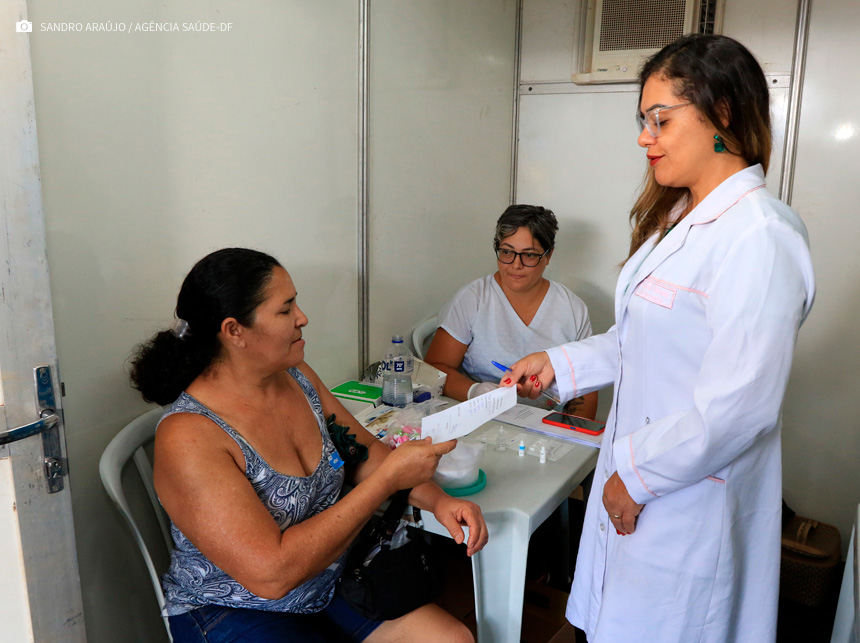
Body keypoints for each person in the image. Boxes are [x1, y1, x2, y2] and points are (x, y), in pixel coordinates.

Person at [502, 34, 815, 642]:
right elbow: (638, 341)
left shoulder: (759, 236)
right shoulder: (678, 221)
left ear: (722, 113)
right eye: (643, 122)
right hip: (648, 483)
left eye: (661, 120)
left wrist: (638, 479)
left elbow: (741, 407)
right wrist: (558, 363)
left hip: (683, 497)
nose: (645, 138)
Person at [129, 248, 487, 643]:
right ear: (234, 331)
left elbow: (364, 453)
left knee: (453, 639)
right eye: (285, 310)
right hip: (234, 607)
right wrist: (387, 481)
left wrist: (438, 501)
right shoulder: (190, 436)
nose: (302, 317)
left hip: (325, 581)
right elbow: (272, 576)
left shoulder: (295, 375)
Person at [425, 204, 598, 418]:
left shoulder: (571, 308)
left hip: (550, 422)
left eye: (529, 255)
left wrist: (571, 430)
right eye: (507, 252)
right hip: (485, 416)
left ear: (548, 256)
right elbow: (435, 368)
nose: (516, 265)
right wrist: (474, 391)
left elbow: (586, 387)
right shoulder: (473, 299)